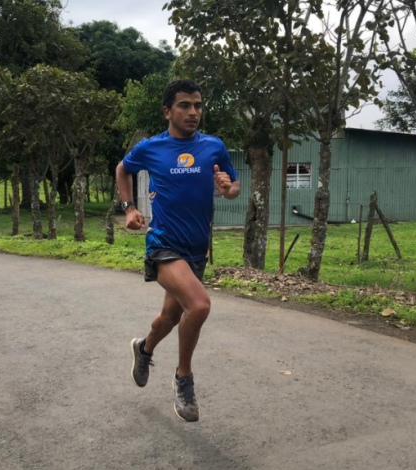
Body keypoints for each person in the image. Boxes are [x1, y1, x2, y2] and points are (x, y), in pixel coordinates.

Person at [115, 79, 240, 422]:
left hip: (197, 248)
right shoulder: (151, 148)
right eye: (184, 105)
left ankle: (144, 348)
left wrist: (228, 188)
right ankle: (184, 378)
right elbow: (122, 169)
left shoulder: (214, 146)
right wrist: (129, 208)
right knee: (199, 306)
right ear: (168, 111)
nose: (193, 112)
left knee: (171, 318)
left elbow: (233, 186)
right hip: (164, 244)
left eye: (198, 105)